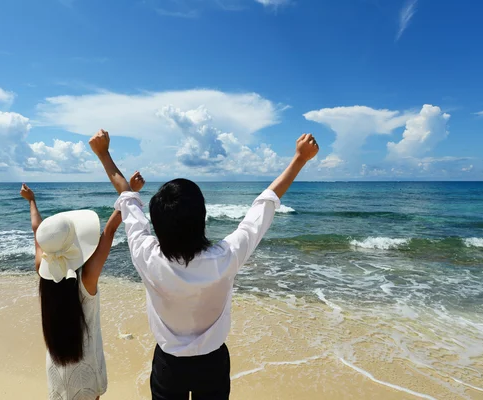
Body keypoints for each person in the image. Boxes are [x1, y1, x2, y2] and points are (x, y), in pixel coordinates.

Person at [89, 129, 319, 399]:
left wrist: (104, 154)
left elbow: (127, 199)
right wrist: (299, 159)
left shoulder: (146, 254)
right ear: (202, 219)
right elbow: (262, 209)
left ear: (158, 225)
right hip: (212, 364)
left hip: (168, 364)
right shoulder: (224, 257)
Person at [20, 174, 145, 400]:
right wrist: (129, 193)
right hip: (85, 362)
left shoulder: (43, 266)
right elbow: (108, 233)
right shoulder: (86, 278)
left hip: (56, 362)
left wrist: (32, 201)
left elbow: (37, 231)